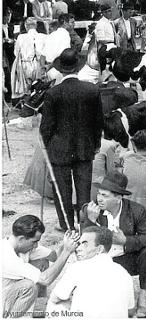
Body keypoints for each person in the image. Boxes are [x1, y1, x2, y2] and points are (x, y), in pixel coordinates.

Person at [40, 48, 104, 231]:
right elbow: (98, 121)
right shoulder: (91, 90)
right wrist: (96, 144)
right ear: (79, 68)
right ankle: (85, 225)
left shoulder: (53, 93)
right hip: (85, 147)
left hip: (58, 149)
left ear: (61, 70)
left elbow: (46, 127)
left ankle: (67, 225)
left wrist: (46, 148)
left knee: (62, 190)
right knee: (84, 190)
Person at [81, 171, 146, 317]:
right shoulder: (91, 210)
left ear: (118, 198)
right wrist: (90, 221)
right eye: (99, 194)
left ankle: (143, 299)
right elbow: (82, 244)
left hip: (126, 259)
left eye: (105, 195)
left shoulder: (135, 210)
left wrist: (126, 241)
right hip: (102, 262)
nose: (99, 199)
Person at [47, 226, 136, 318]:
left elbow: (55, 298)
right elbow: (130, 311)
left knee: (54, 305)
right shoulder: (124, 273)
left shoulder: (77, 268)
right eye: (79, 244)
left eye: (85, 244)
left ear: (99, 249)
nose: (78, 249)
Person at [3, 215, 79, 318]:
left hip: (13, 296)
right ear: (21, 239)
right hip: (3, 303)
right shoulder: (6, 255)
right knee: (29, 286)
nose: (36, 246)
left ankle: (37, 304)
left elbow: (53, 256)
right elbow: (45, 279)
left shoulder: (21, 246)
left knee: (42, 261)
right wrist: (67, 252)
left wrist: (64, 244)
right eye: (34, 242)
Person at [9, 17, 45, 100]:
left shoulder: (20, 37)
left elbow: (16, 52)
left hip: (26, 64)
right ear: (36, 26)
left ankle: (27, 106)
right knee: (38, 87)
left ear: (26, 26)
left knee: (27, 87)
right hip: (39, 64)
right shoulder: (43, 36)